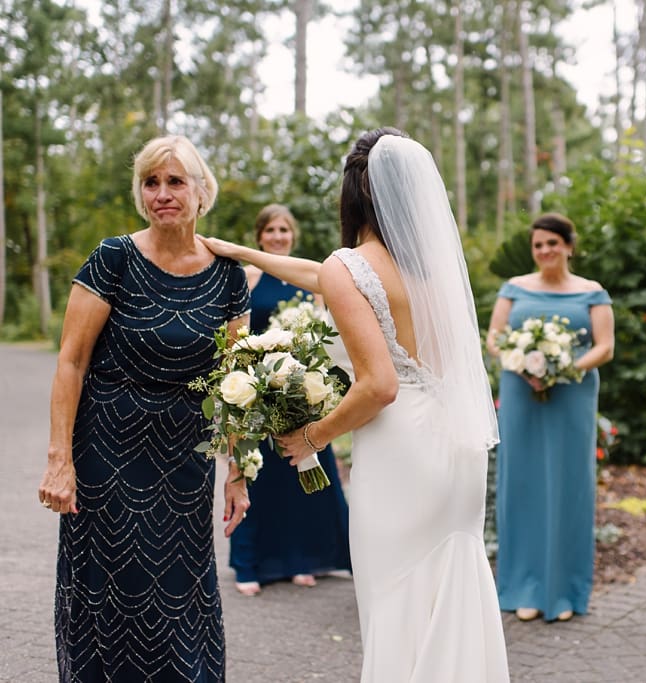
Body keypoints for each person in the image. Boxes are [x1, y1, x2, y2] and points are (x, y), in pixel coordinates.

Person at [201, 128, 509, 682]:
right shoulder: (430, 270)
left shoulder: (352, 266)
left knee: (394, 596)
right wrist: (244, 254)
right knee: (450, 586)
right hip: (454, 445)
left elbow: (378, 386)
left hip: (400, 448)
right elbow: (325, 276)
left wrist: (312, 436)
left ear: (352, 193)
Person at [37, 135, 251, 682]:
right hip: (107, 449)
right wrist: (60, 460)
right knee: (109, 591)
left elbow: (235, 384)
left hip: (184, 457)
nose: (161, 194)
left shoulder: (228, 275)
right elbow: (71, 362)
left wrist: (238, 474)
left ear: (202, 192)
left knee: (180, 587)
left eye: (174, 181)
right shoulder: (114, 258)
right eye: (150, 183)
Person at [485, 213, 615, 623]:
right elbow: (494, 339)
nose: (545, 251)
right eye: (538, 245)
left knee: (568, 485)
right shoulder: (514, 289)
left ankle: (563, 591)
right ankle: (523, 587)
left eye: (552, 243)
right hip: (521, 393)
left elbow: (605, 347)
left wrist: (562, 370)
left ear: (569, 246)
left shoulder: (592, 292)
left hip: (572, 395)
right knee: (520, 484)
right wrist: (525, 367)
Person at [229, 204, 352, 597]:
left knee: (302, 470)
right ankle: (252, 564)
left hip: (299, 386)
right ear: (260, 236)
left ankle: (304, 558)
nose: (278, 236)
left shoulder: (311, 277)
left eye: (284, 230)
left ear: (292, 235)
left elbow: (319, 333)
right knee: (258, 470)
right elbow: (239, 332)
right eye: (271, 230)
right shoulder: (250, 276)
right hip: (261, 387)